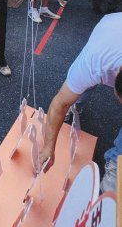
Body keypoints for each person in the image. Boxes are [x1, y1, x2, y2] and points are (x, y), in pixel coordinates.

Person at [39, 13, 122, 192]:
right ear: (115, 75)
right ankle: (77, 104)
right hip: (110, 29)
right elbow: (59, 103)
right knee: (82, 86)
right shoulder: (94, 62)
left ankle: (117, 159)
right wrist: (48, 147)